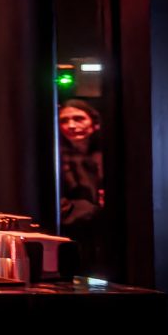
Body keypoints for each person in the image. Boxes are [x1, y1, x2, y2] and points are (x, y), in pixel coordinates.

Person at [59, 98, 107, 271]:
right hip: (73, 231)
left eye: (79, 119)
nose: (71, 125)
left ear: (94, 123)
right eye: (64, 121)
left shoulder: (105, 153)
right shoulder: (57, 159)